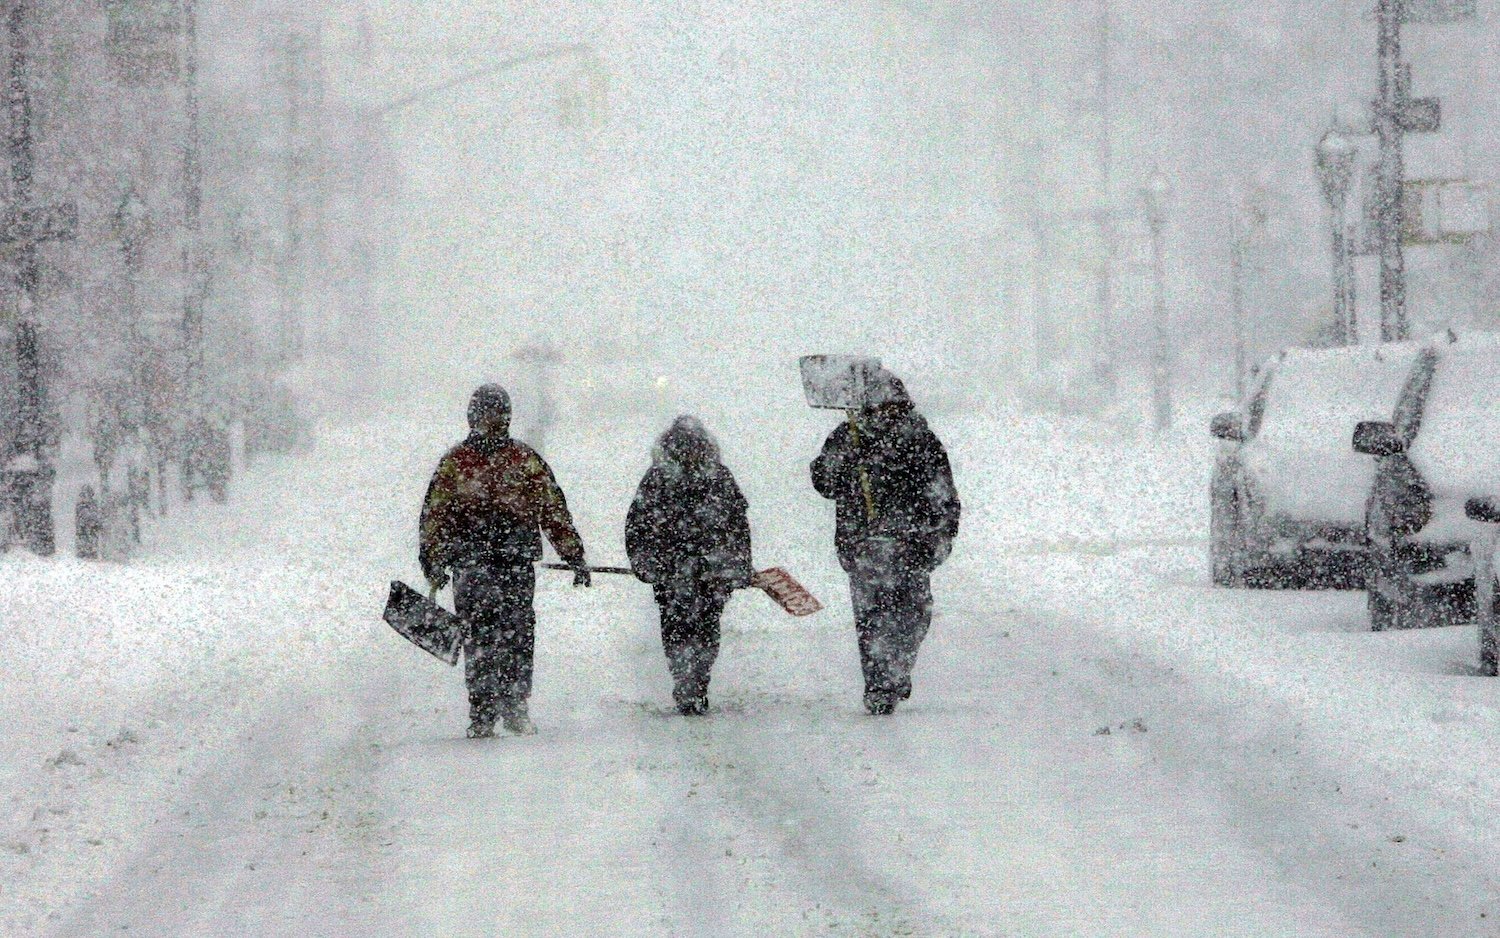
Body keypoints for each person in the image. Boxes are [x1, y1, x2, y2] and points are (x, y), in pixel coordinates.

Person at [419, 383, 590, 738]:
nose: (491, 420)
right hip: (478, 565)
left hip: (506, 565)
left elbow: (552, 511)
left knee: (511, 635)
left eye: (496, 413)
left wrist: (573, 554)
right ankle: (486, 711)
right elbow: (435, 517)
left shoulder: (498, 460)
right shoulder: (475, 461)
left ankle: (511, 708)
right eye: (487, 413)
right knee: (488, 636)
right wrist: (433, 561)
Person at [810, 369, 960, 715]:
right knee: (872, 618)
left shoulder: (920, 440)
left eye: (892, 405)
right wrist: (841, 460)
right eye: (879, 406)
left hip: (911, 546)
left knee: (914, 616)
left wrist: (939, 536)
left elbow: (942, 494)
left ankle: (897, 670)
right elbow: (825, 484)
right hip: (864, 544)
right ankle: (880, 685)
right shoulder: (848, 436)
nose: (886, 413)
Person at [626, 416, 752, 715]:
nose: (689, 452)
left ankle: (696, 681)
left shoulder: (716, 477)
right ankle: (686, 682)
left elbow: (737, 525)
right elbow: (638, 525)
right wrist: (645, 562)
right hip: (675, 572)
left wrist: (740, 563)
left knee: (701, 627)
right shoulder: (660, 479)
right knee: (681, 628)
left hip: (708, 572)